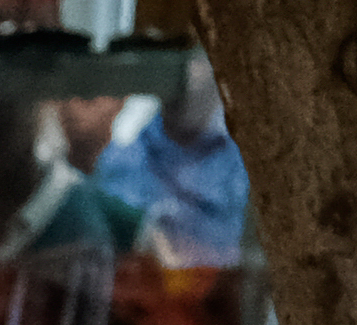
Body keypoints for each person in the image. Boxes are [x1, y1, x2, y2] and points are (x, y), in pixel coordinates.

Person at [94, 63, 249, 271]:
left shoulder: (234, 159)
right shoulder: (127, 150)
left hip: (200, 286)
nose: (195, 90)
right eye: (186, 82)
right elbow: (110, 222)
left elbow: (226, 247)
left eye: (208, 80)